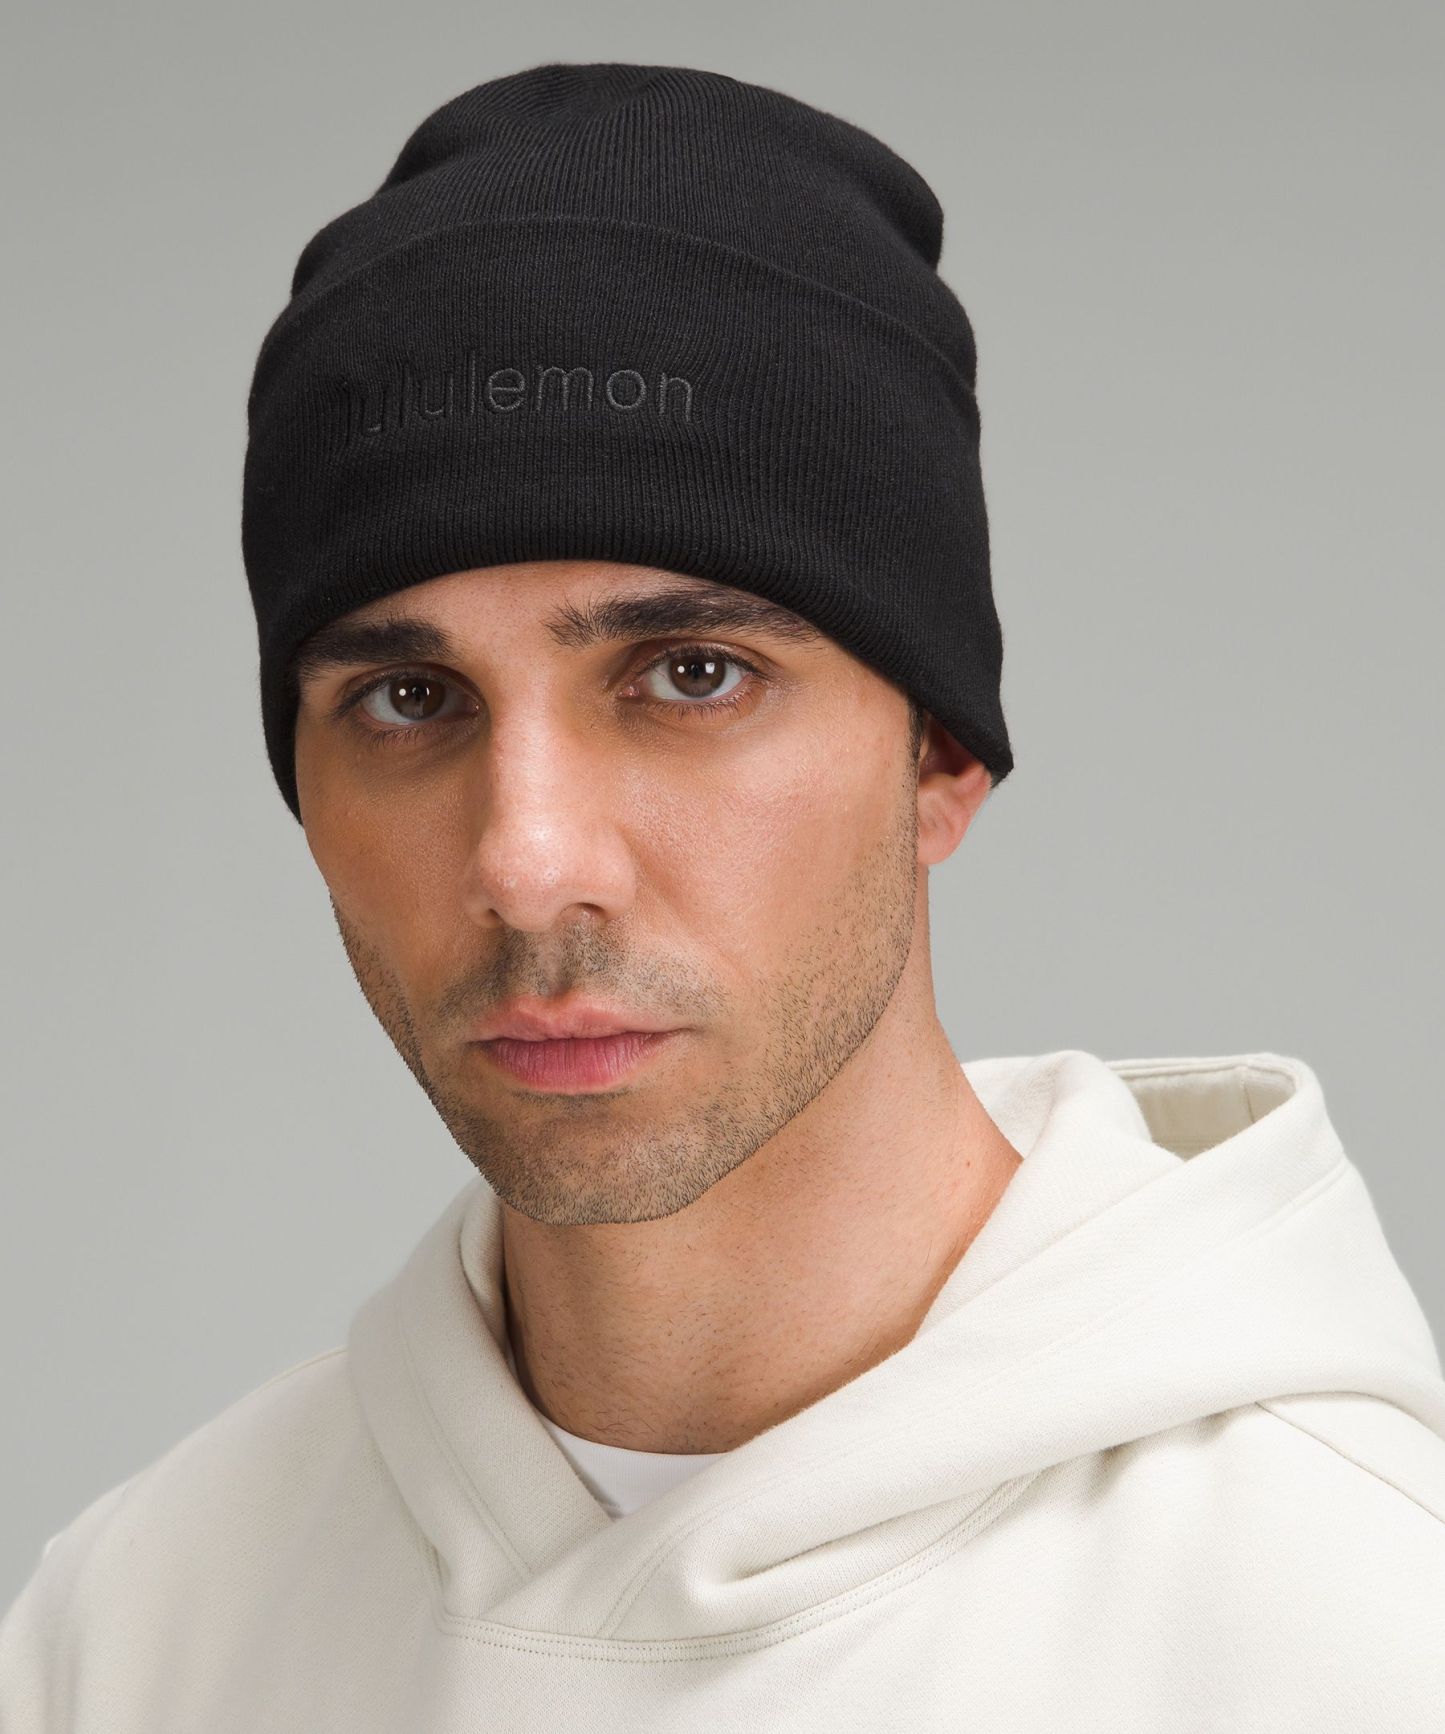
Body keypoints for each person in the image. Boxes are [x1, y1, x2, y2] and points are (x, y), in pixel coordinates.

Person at [4, 59, 1444, 1732]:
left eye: (690, 674)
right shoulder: (140, 1623)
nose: (527, 861)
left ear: (938, 755)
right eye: (407, 699)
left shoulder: (1355, 1623)